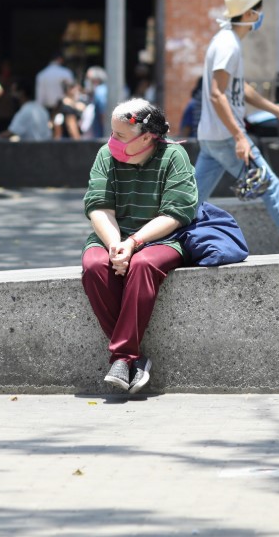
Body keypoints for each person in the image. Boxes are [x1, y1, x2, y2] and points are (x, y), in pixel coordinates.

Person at [82, 99, 197, 394]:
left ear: (146, 136)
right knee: (94, 265)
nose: (112, 141)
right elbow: (99, 207)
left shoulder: (174, 156)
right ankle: (131, 358)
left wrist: (134, 243)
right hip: (113, 238)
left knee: (143, 264)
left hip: (163, 238)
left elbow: (175, 213)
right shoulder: (105, 155)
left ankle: (121, 357)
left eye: (119, 135)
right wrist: (116, 245)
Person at [194, 0, 279, 254]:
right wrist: (239, 136)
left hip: (212, 138)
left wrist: (278, 112)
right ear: (247, 14)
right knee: (273, 190)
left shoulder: (227, 40)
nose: (261, 14)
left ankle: (157, 242)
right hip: (226, 137)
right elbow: (216, 94)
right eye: (258, 9)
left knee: (191, 201)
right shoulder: (228, 45)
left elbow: (240, 88)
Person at [35, 53, 73, 121]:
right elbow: (72, 89)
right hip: (61, 109)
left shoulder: (41, 75)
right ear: (60, 59)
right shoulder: (65, 72)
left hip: (55, 108)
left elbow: (39, 98)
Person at [85, 66, 109, 139]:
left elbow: (103, 114)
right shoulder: (102, 90)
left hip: (102, 136)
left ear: (95, 80)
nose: (86, 81)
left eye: (88, 79)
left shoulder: (100, 92)